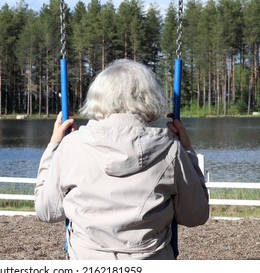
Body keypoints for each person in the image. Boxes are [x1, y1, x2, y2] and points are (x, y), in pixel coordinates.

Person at [34, 59, 209, 260]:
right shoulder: (170, 148)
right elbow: (195, 215)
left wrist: (53, 146)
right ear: (149, 97)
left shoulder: (71, 146)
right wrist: (187, 150)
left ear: (97, 97)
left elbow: (47, 210)